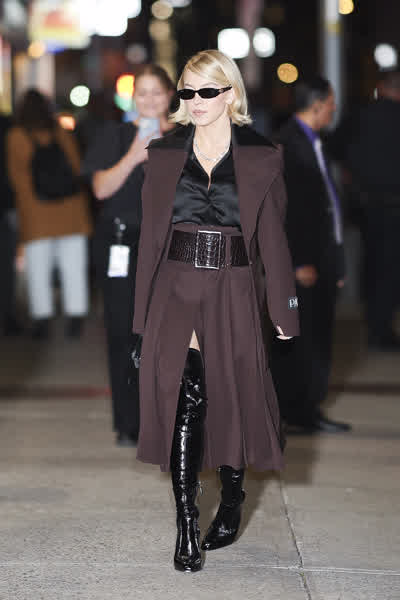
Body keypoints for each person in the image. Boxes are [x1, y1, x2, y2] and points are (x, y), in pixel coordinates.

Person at [131, 49, 299, 572]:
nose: (196, 101)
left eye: (207, 90)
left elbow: (273, 239)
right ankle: (186, 524)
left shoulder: (263, 156)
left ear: (230, 93)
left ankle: (231, 498)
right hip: (175, 285)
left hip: (234, 286)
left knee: (233, 394)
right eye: (188, 91)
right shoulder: (164, 154)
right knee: (187, 395)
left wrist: (284, 308)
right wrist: (139, 320)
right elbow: (149, 241)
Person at [82, 65, 175, 447]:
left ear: (170, 96)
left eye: (157, 92)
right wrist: (135, 154)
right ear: (132, 97)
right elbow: (100, 189)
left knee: (169, 332)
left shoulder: (185, 136)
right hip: (121, 241)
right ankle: (129, 421)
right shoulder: (115, 135)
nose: (149, 100)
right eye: (142, 93)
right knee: (123, 331)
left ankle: (168, 417)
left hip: (170, 244)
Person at [271, 76, 351, 434]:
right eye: (331, 102)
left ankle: (308, 408)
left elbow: (326, 205)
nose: (334, 108)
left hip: (322, 257)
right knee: (299, 340)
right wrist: (297, 261)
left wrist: (336, 260)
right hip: (302, 263)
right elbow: (286, 210)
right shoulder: (287, 144)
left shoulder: (317, 142)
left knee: (319, 336)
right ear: (317, 105)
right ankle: (296, 411)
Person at [7, 89, 92, 340]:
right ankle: (75, 317)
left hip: (36, 214)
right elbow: (76, 167)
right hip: (71, 211)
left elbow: (17, 179)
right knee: (73, 267)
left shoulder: (16, 136)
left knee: (38, 269)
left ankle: (42, 319)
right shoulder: (61, 133)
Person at [335, 70, 400, 351]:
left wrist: (353, 173)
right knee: (390, 268)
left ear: (380, 88)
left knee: (372, 263)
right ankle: (381, 330)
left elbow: (335, 147)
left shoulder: (359, 116)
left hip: (366, 204)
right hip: (395, 204)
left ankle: (374, 323)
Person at [0, 111, 21, 336]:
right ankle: (7, 316)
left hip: (5, 207)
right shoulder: (7, 126)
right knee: (5, 268)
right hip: (5, 207)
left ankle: (7, 315)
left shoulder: (7, 125)